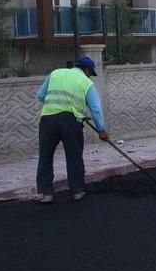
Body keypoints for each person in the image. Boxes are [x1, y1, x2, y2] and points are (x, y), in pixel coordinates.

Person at [36, 56, 108, 203]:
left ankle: (46, 193)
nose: (90, 77)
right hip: (71, 122)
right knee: (74, 156)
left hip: (48, 120)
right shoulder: (86, 83)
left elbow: (41, 96)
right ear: (86, 69)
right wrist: (101, 130)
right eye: (90, 73)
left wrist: (58, 105)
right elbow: (95, 109)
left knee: (45, 157)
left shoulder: (55, 73)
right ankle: (77, 191)